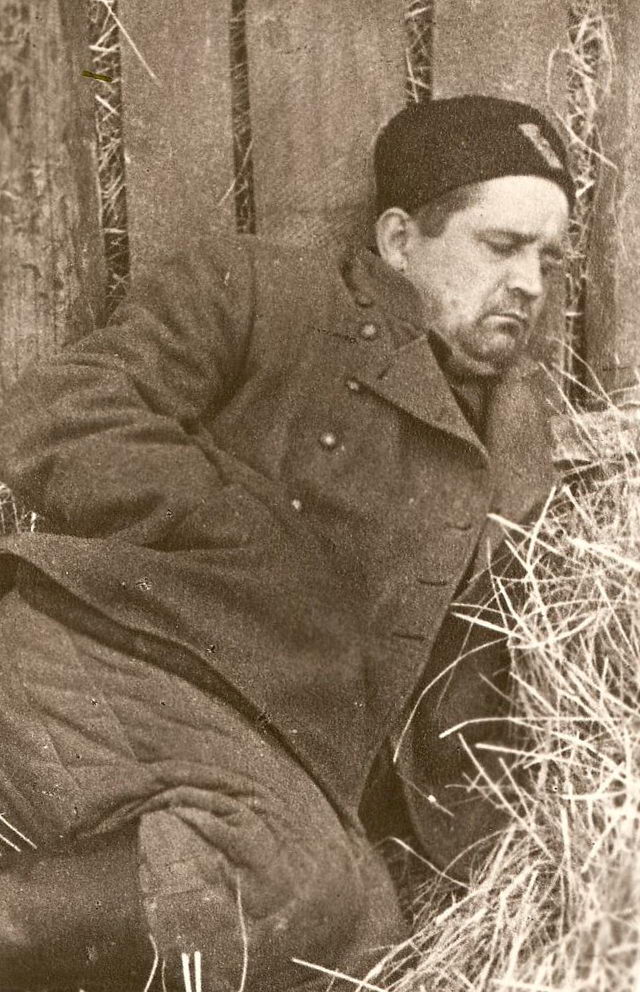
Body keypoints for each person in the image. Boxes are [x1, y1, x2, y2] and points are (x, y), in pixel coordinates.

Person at [0, 95, 572, 991]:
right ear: (399, 239)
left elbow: (461, 690)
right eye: (501, 246)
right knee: (294, 883)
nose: (530, 283)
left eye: (549, 258)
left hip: (262, 752)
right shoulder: (266, 291)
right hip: (124, 660)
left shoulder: (518, 445)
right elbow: (59, 414)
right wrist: (237, 530)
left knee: (359, 926)